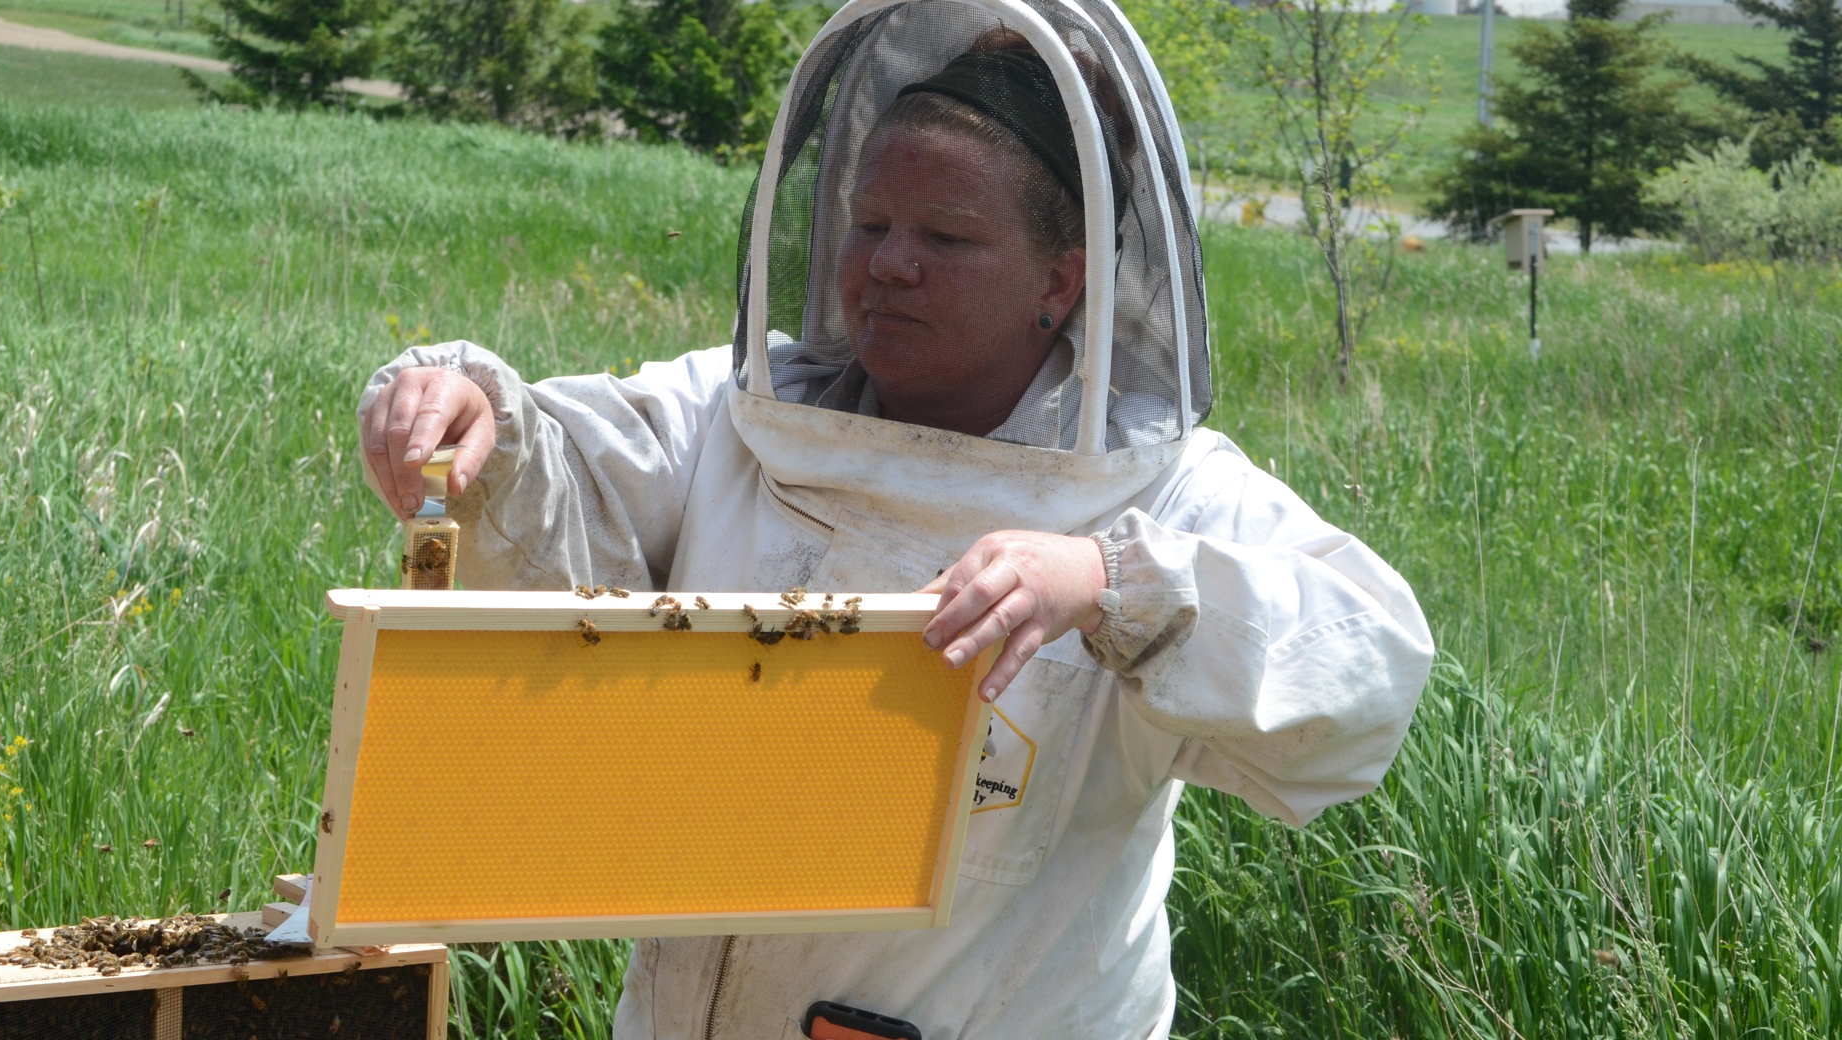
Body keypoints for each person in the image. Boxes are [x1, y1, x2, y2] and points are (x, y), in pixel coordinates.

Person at [357, 4, 1432, 1037]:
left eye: (946, 235)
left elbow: (1370, 662)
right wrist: (472, 412)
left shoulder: (1157, 491)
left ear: (1058, 281)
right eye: (869, 223)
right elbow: (566, 475)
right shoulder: (741, 417)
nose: (888, 263)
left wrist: (1112, 583)